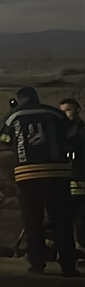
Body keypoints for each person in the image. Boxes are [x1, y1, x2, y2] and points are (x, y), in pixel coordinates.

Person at [0, 87, 79, 276]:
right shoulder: (55, 114)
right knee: (62, 220)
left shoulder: (13, 116)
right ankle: (68, 264)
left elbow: (4, 138)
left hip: (28, 175)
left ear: (19, 99)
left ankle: (37, 263)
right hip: (58, 174)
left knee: (32, 220)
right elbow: (72, 134)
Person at [60, 97, 85, 254]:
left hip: (80, 179)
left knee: (81, 217)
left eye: (68, 110)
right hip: (63, 179)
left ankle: (81, 247)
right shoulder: (57, 130)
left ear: (77, 111)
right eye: (61, 111)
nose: (64, 114)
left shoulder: (82, 131)